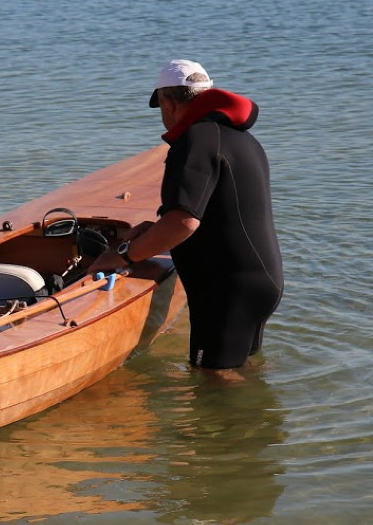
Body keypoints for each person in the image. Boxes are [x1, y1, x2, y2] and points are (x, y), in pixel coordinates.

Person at [92, 59, 283, 369]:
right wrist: (155, 230)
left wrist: (124, 255)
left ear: (168, 102)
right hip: (260, 281)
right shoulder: (240, 139)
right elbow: (219, 213)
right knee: (241, 374)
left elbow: (184, 222)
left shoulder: (194, 140)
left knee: (215, 384)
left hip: (226, 291)